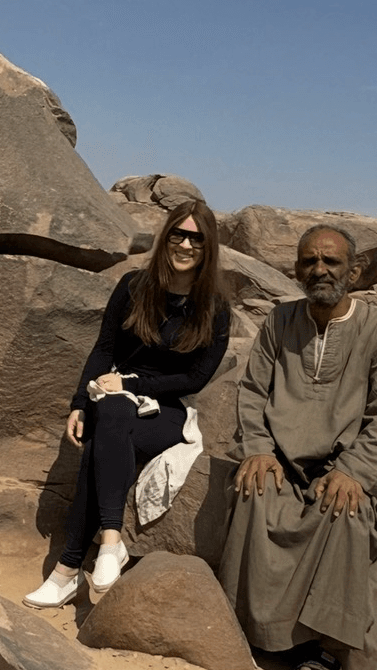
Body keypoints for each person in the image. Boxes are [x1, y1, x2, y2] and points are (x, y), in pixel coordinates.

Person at [217, 224, 377, 670]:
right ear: (296, 269)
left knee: (344, 508)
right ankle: (261, 633)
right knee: (254, 490)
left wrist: (354, 472)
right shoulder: (280, 322)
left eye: (331, 262)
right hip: (281, 461)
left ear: (354, 270)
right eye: (309, 261)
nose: (319, 270)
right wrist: (259, 450)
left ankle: (324, 646)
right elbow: (253, 393)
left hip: (341, 467)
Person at [24, 200, 230, 609]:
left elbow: (194, 379)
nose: (186, 245)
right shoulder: (134, 287)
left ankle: (67, 570)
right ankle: (110, 545)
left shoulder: (215, 308)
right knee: (112, 415)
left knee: (105, 435)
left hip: (167, 411)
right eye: (178, 234)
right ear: (166, 235)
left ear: (209, 247)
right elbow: (103, 349)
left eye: (197, 238)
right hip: (114, 400)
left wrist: (131, 382)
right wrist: (80, 402)